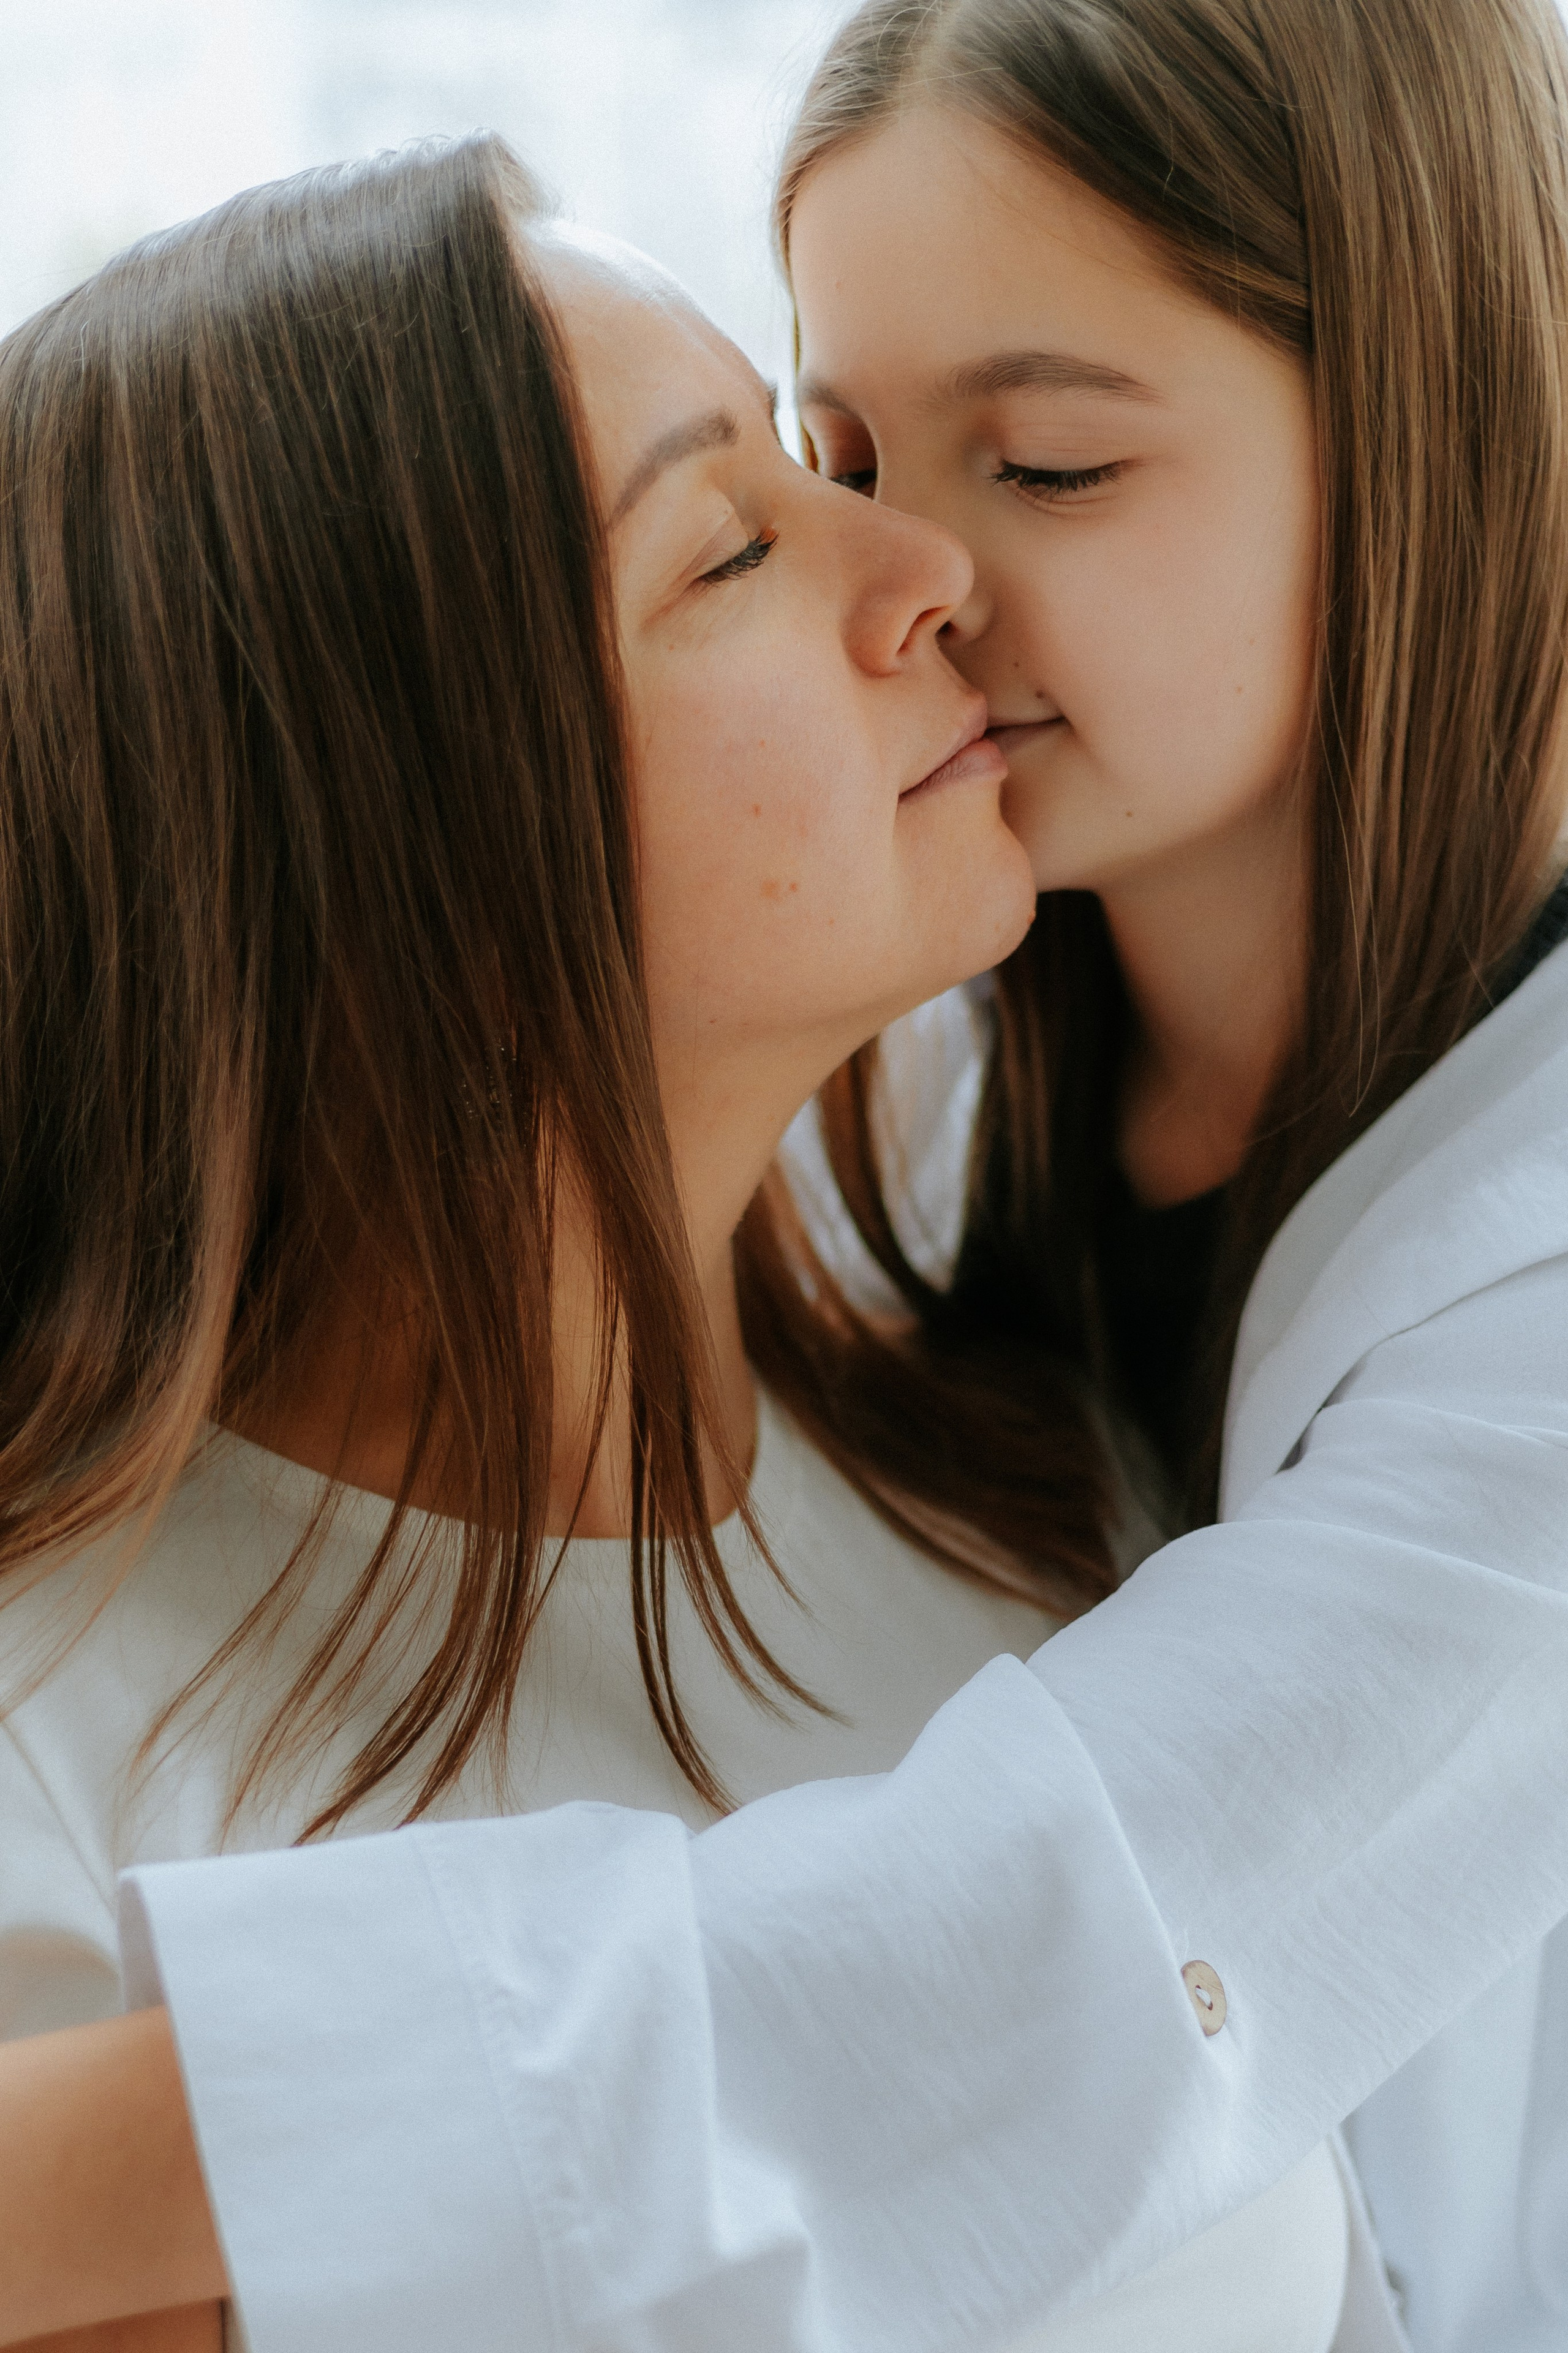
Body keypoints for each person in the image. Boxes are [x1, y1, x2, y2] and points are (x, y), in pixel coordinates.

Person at [6, 0, 1568, 2345]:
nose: (922, 565)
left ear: (1434, 448)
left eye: (1043, 465)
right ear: (407, 824)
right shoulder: (944, 1201)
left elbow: (1080, 1941)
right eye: (780, 492)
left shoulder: (1017, 1481)